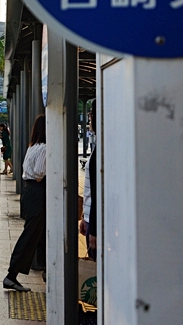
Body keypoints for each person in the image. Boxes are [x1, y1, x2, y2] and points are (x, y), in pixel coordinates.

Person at [3, 114, 47, 292]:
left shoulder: (33, 146)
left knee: (41, 234)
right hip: (38, 193)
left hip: (30, 193)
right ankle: (11, 275)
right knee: (31, 235)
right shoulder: (44, 148)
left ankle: (47, 270)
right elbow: (38, 175)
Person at [79, 103, 97, 261]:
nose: (89, 119)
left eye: (91, 115)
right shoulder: (100, 146)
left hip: (96, 220)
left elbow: (98, 192)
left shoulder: (102, 150)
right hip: (92, 217)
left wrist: (95, 229)